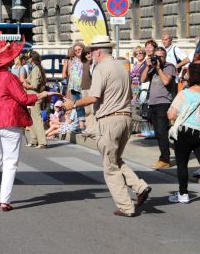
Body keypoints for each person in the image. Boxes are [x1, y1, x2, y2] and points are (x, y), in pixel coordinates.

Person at [63, 35, 151, 217]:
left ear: (97, 52)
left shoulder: (101, 68)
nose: (90, 54)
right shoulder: (122, 66)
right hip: (126, 117)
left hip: (109, 120)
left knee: (109, 168)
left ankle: (126, 207)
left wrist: (73, 104)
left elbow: (93, 97)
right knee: (115, 160)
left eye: (91, 51)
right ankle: (140, 187)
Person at [0, 40, 50, 211]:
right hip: (9, 122)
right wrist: (42, 95)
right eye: (12, 57)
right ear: (6, 61)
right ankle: (4, 200)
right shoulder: (9, 77)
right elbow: (24, 99)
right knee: (10, 162)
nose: (14, 59)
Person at [167, 63, 200, 206]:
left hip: (185, 132)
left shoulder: (184, 93)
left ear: (192, 76)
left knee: (182, 164)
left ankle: (183, 194)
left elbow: (172, 115)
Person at [141, 46, 176, 169]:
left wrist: (159, 68)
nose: (159, 58)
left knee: (162, 132)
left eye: (161, 56)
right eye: (157, 56)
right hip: (152, 103)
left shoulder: (169, 67)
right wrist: (148, 66)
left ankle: (165, 159)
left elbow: (166, 81)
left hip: (164, 103)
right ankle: (164, 156)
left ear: (165, 56)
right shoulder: (152, 68)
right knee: (158, 133)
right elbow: (142, 79)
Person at [24, 51, 47, 149]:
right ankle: (34, 140)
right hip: (30, 97)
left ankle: (42, 142)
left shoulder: (36, 69)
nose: (27, 60)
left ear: (32, 59)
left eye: (29, 58)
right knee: (31, 119)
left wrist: (25, 84)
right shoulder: (33, 68)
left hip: (35, 96)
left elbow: (34, 85)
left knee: (37, 119)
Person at [67, 42, 86, 131]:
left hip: (82, 86)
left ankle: (83, 125)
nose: (77, 51)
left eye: (79, 49)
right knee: (77, 106)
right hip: (73, 86)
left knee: (83, 105)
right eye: (76, 50)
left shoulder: (85, 60)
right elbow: (70, 74)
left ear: (83, 49)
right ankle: (80, 125)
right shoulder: (73, 60)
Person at [80, 46, 96, 136]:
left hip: (91, 88)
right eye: (85, 54)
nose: (88, 55)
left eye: (89, 53)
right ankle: (89, 129)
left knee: (93, 110)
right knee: (87, 110)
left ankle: (94, 130)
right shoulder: (84, 62)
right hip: (84, 88)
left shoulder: (94, 62)